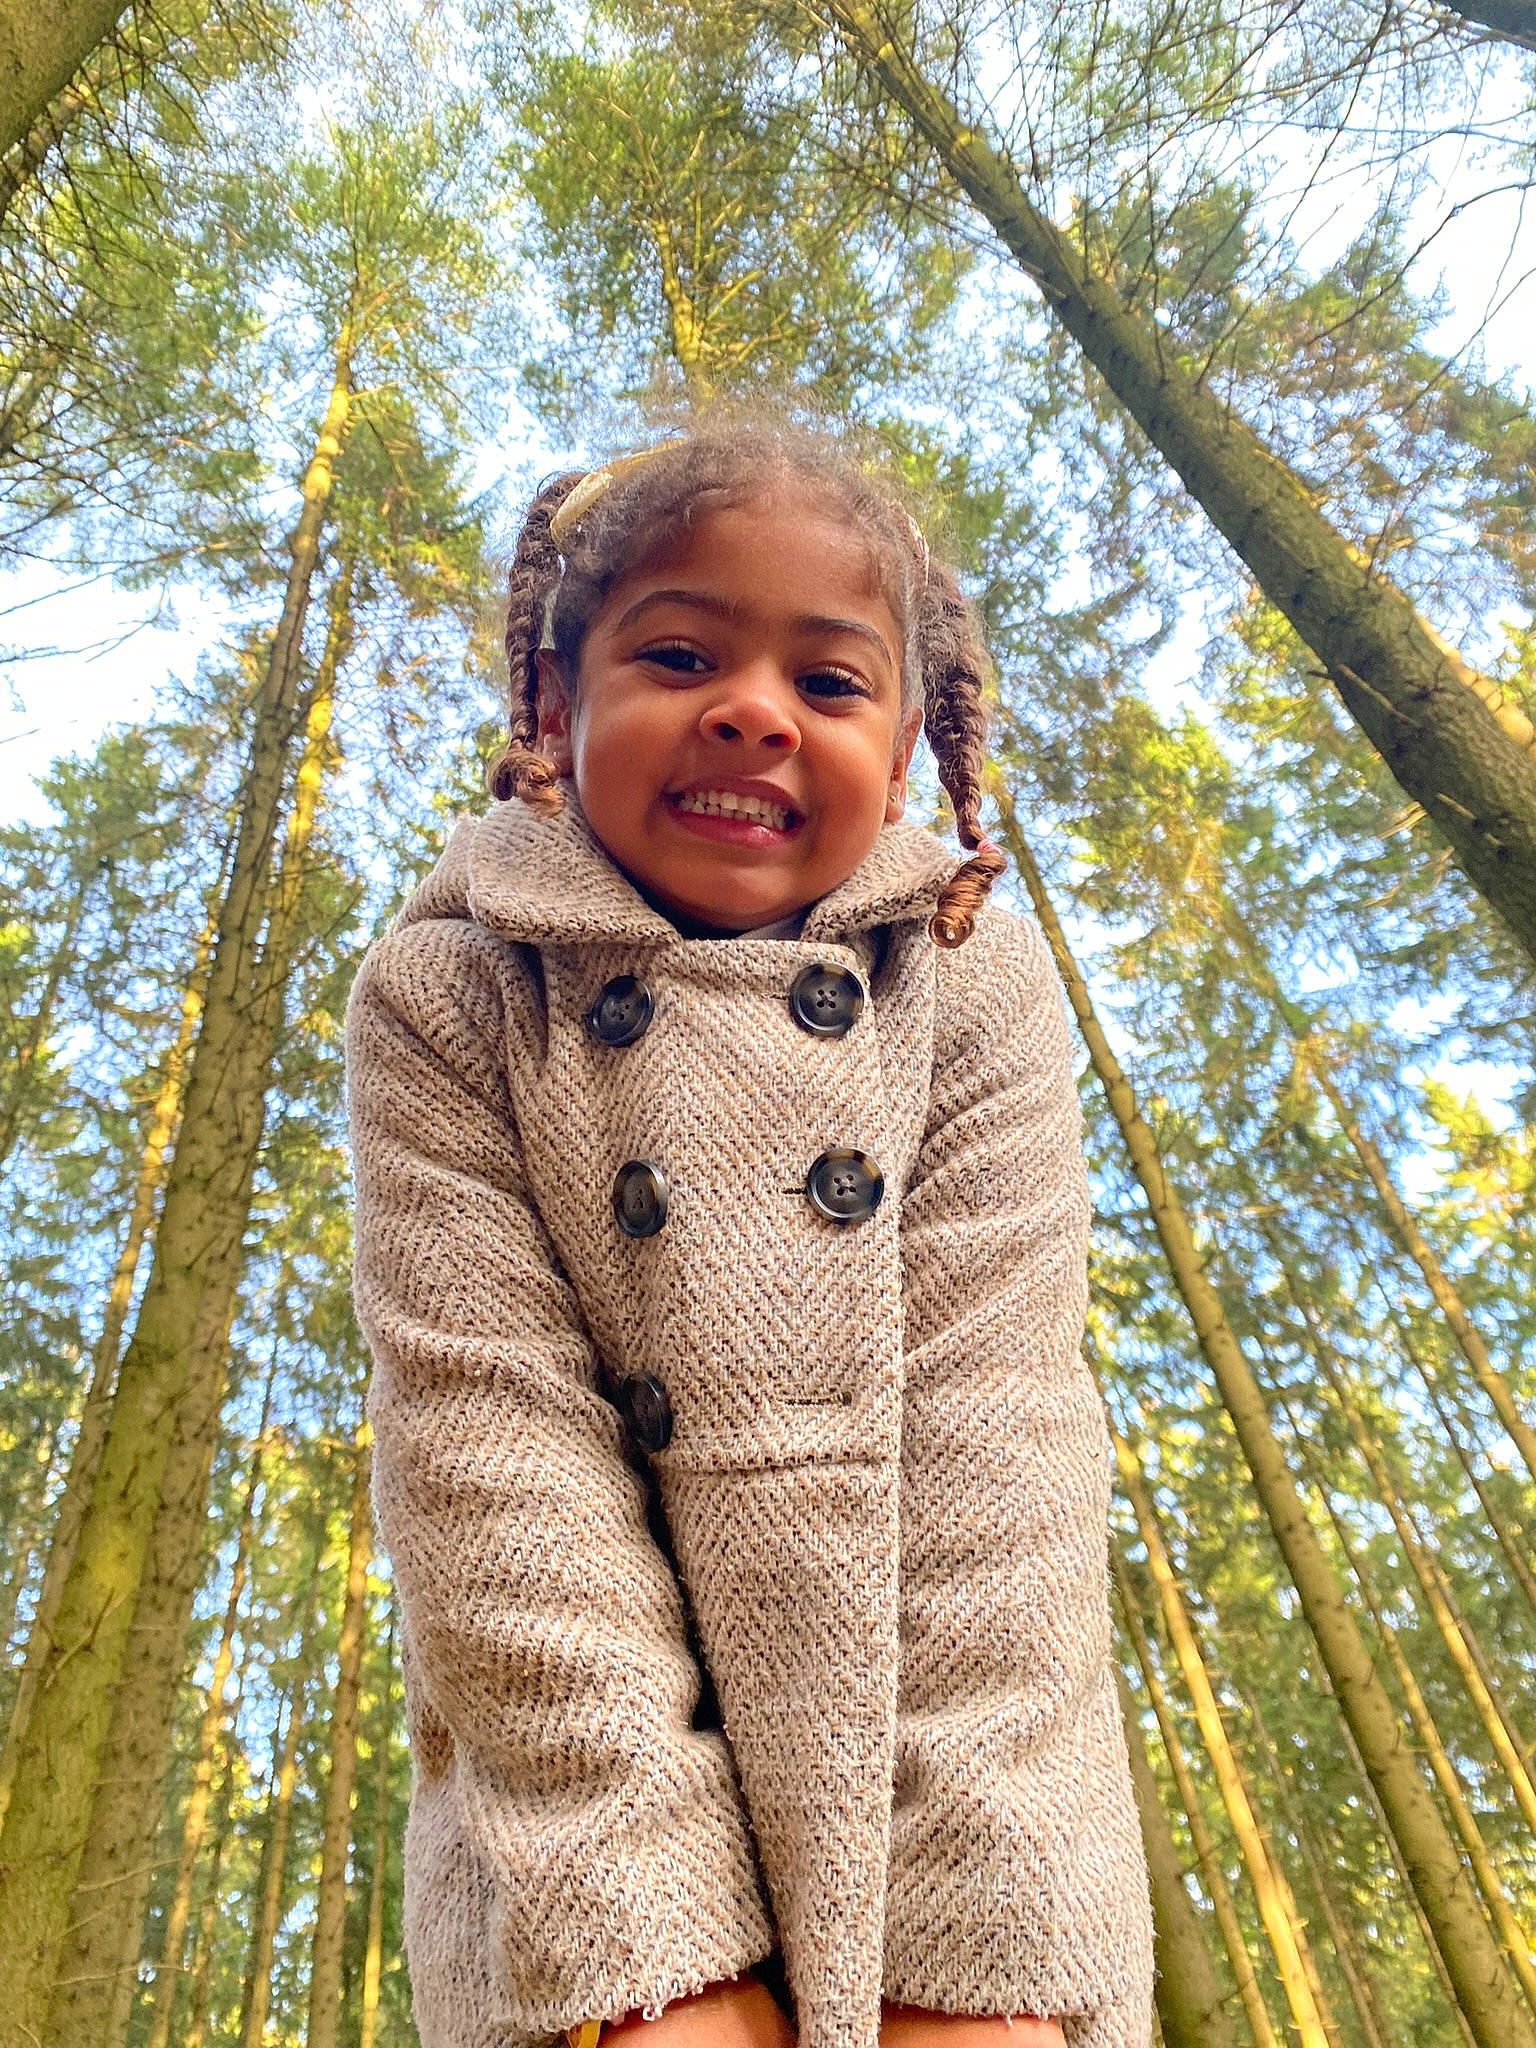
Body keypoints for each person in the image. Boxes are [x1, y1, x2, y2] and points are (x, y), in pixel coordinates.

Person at [345, 419, 1154, 2048]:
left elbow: (1002, 1449)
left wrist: (975, 1966)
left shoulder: (973, 984)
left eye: (831, 682)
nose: (754, 710)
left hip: (977, 1807)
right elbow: (487, 1455)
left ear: (908, 751)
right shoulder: (449, 994)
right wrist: (655, 1965)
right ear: (554, 707)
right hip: (584, 1848)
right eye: (680, 654)